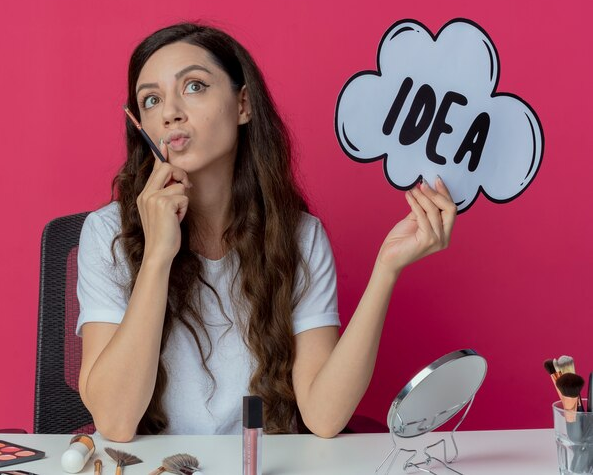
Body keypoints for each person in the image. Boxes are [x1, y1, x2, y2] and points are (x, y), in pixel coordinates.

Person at [76, 22, 457, 442]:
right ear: (141, 125)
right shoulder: (106, 233)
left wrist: (386, 270)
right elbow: (113, 420)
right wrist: (157, 256)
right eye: (151, 100)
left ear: (243, 105)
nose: (170, 112)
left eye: (194, 87)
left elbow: (324, 417)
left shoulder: (298, 236)